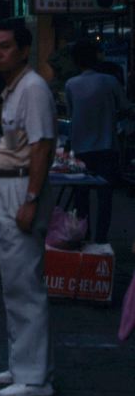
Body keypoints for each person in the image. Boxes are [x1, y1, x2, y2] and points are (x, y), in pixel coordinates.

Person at [0, 19, 57, 396]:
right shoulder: (13, 90)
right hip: (5, 187)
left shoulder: (33, 89)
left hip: (20, 189)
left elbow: (42, 147)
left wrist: (30, 200)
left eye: (5, 46)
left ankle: (34, 379)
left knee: (25, 284)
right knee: (12, 282)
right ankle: (21, 364)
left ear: (24, 50)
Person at [65, 38, 129, 244]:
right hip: (107, 147)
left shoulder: (71, 85)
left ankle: (83, 235)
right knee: (105, 197)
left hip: (80, 148)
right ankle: (101, 240)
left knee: (81, 197)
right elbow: (125, 107)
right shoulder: (110, 81)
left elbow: (71, 114)